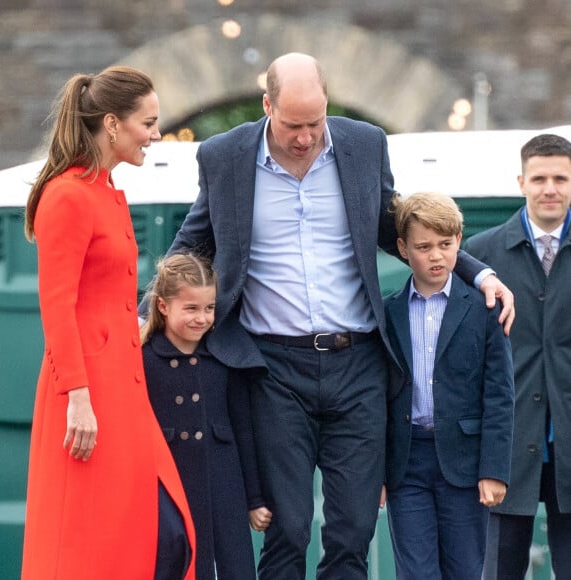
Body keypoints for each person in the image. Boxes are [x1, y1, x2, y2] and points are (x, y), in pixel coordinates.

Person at [157, 52, 515, 579]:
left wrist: (475, 272)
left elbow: (400, 224)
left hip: (358, 366)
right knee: (289, 527)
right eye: (292, 125)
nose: (305, 137)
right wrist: (148, 313)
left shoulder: (363, 144)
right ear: (266, 106)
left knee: (352, 530)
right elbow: (193, 243)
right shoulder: (223, 156)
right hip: (273, 368)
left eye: (315, 122)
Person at [22, 66, 195, 580]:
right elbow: (57, 303)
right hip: (87, 394)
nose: (157, 134)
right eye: (149, 122)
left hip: (123, 387)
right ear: (114, 124)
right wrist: (77, 396)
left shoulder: (105, 190)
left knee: (166, 535)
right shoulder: (68, 195)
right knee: (100, 542)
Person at [382, 192, 515, 579]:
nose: (436, 256)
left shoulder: (484, 309)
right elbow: (377, 397)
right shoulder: (388, 312)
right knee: (416, 573)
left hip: (466, 464)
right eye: (424, 247)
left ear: (459, 241)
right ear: (404, 249)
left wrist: (494, 469)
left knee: (464, 570)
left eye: (445, 244)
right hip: (406, 464)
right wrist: (377, 473)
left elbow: (500, 395)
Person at [464, 133, 571, 580]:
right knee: (499, 570)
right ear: (521, 182)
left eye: (561, 178)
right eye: (540, 178)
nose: (551, 188)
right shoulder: (480, 255)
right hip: (504, 444)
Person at [140, 252, 273, 580]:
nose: (202, 318)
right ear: (162, 306)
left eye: (209, 308)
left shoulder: (223, 357)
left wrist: (255, 498)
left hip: (224, 486)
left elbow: (243, 428)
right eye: (191, 308)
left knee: (235, 569)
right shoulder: (142, 361)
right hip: (169, 491)